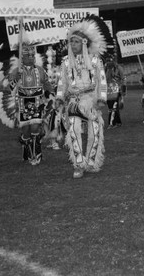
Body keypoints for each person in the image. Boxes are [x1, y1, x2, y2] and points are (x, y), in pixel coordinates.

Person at [56, 16, 109, 179]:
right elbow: (61, 82)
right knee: (73, 132)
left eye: (76, 42)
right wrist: (59, 98)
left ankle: (92, 162)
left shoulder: (95, 61)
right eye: (71, 42)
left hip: (91, 101)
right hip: (73, 102)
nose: (73, 45)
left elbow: (102, 81)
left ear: (84, 43)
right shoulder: (65, 62)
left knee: (95, 131)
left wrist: (101, 98)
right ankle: (78, 164)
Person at [0, 42, 53, 165]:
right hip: (23, 104)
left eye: (33, 55)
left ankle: (36, 155)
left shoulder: (40, 70)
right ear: (23, 58)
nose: (31, 58)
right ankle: (26, 148)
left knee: (35, 127)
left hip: (37, 102)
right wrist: (17, 78)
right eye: (29, 56)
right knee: (26, 131)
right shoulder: (16, 71)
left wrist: (51, 94)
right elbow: (10, 89)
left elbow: (47, 84)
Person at [105, 54, 126, 129]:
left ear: (113, 61)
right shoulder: (106, 68)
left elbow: (123, 79)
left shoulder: (118, 68)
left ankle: (111, 123)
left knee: (113, 107)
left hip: (117, 90)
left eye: (109, 61)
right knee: (112, 107)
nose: (108, 63)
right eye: (107, 62)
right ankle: (118, 122)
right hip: (108, 90)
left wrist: (123, 90)